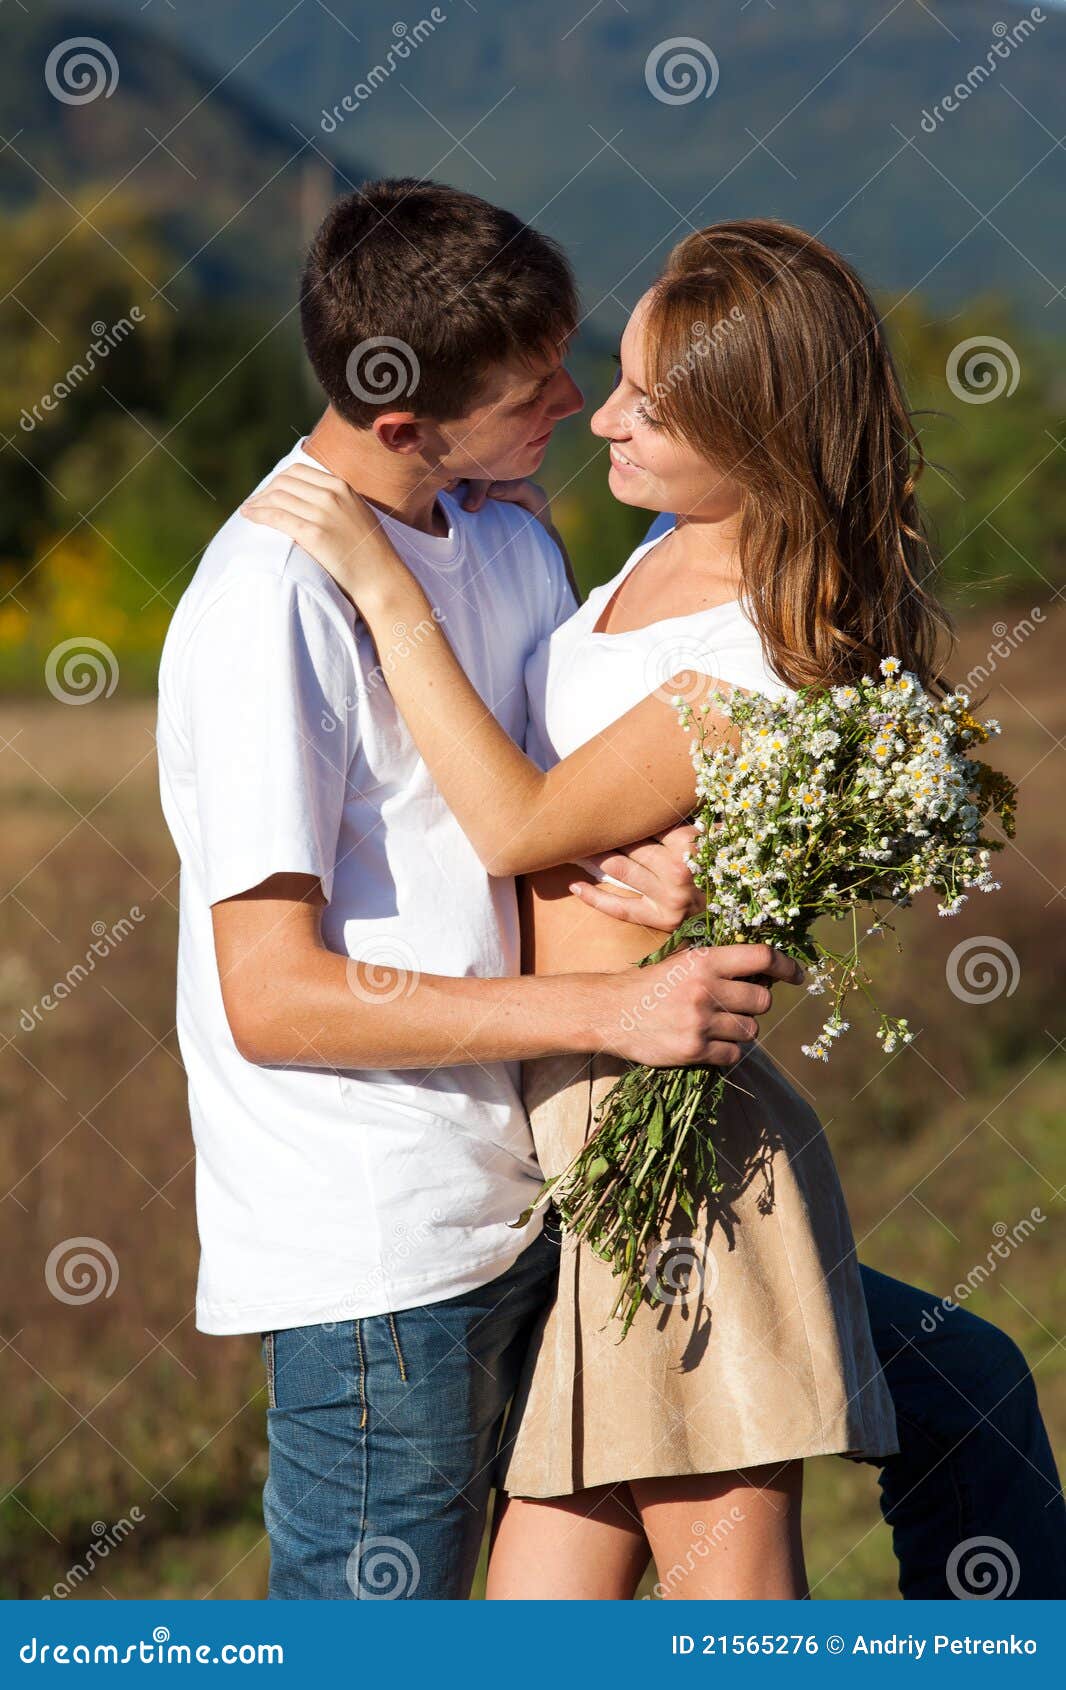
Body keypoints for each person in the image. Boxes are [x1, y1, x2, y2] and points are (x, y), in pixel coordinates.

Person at [156, 180, 804, 1602]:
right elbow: (269, 995)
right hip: (380, 1253)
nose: (572, 407)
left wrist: (679, 869)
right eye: (532, 390)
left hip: (541, 1195)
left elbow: (537, 807)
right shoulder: (270, 600)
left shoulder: (505, 537)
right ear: (401, 422)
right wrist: (614, 1003)